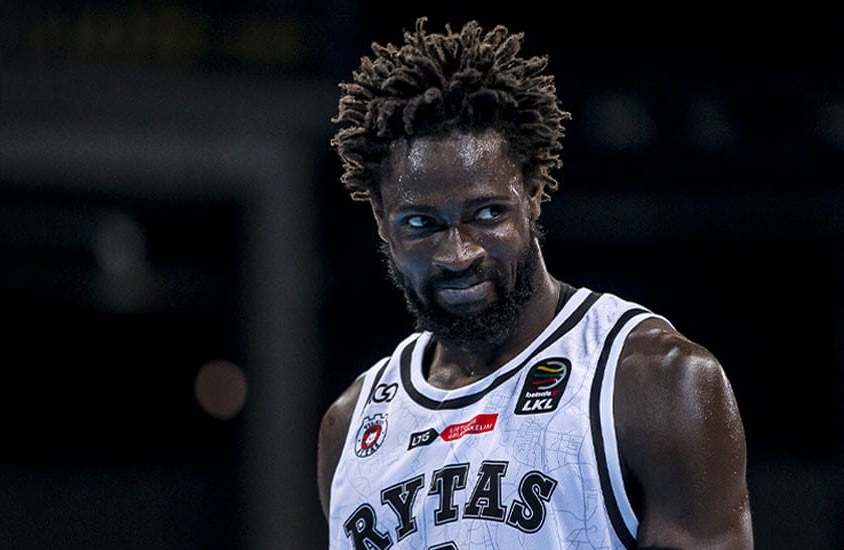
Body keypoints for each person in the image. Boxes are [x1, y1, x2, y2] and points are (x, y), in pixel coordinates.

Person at [317, 16, 753, 549]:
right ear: (382, 221)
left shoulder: (654, 382)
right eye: (422, 224)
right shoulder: (350, 428)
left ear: (533, 192)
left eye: (487, 213)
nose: (458, 254)